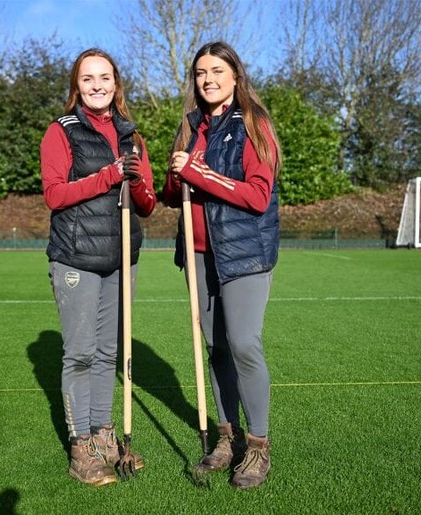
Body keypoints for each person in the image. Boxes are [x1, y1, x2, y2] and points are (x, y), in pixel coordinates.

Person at [162, 41, 281, 489]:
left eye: (216, 70)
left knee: (244, 344)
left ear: (235, 75)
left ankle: (257, 446)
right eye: (199, 73)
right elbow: (177, 195)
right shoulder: (192, 126)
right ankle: (226, 438)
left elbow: (256, 195)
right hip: (198, 255)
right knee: (215, 349)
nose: (207, 79)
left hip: (244, 253)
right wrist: (176, 177)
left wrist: (197, 172)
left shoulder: (254, 122)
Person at [41, 48, 157, 486]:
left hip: (121, 258)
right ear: (77, 86)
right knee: (82, 353)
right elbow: (55, 194)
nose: (97, 85)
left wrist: (140, 183)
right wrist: (110, 175)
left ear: (116, 83)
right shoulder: (61, 131)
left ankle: (104, 435)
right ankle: (81, 447)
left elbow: (144, 206)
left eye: (104, 77)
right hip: (76, 258)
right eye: (88, 79)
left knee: (109, 352)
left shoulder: (131, 134)